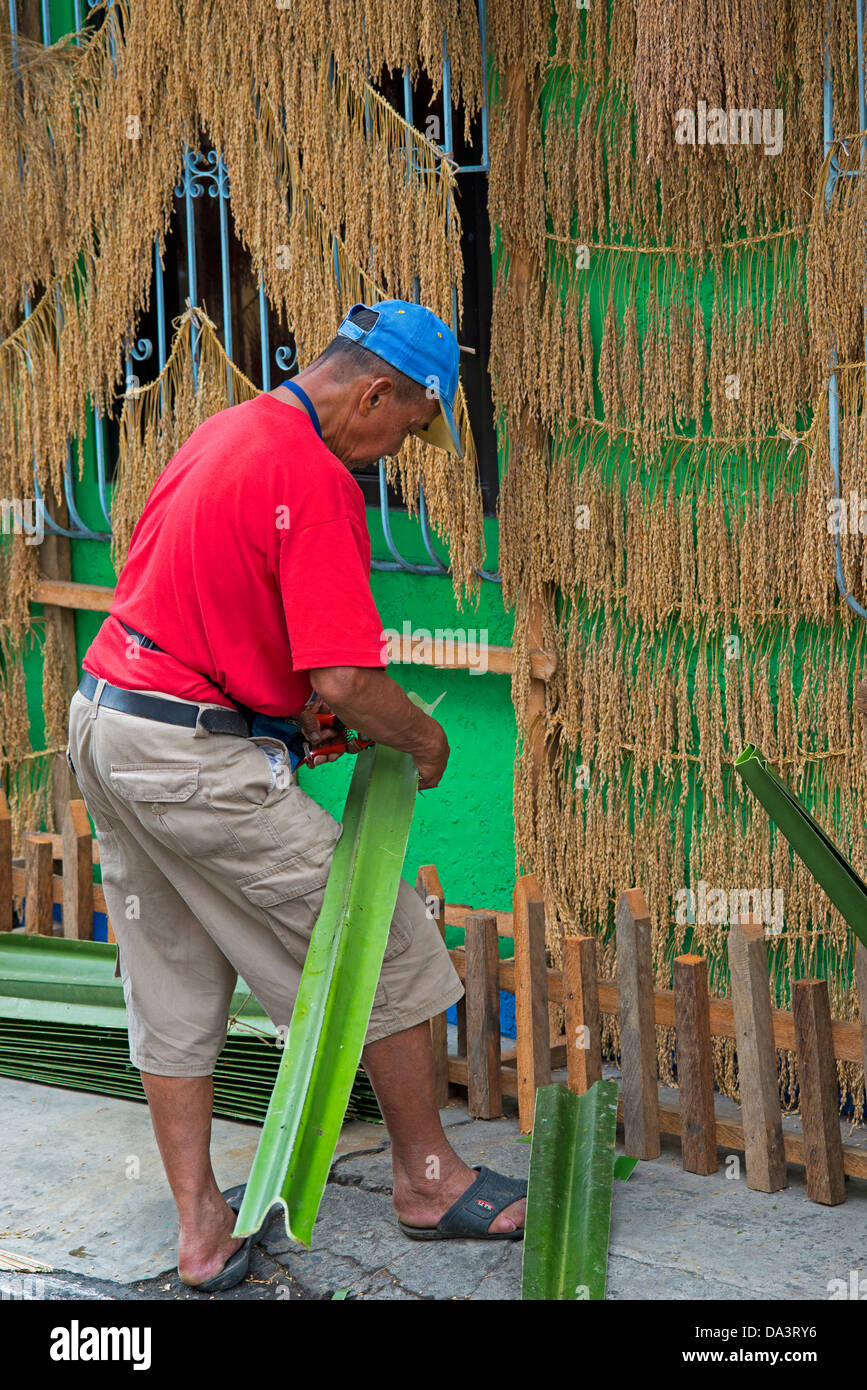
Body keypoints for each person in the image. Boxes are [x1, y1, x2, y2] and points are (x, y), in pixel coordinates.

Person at [66, 299, 526, 1291]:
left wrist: (274, 716)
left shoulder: (230, 430)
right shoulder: (315, 480)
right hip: (184, 754)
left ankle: (201, 1233)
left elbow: (195, 600)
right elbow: (346, 679)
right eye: (405, 428)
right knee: (385, 938)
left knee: (171, 975)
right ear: (374, 393)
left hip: (111, 719)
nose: (393, 453)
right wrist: (424, 737)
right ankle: (429, 1182)